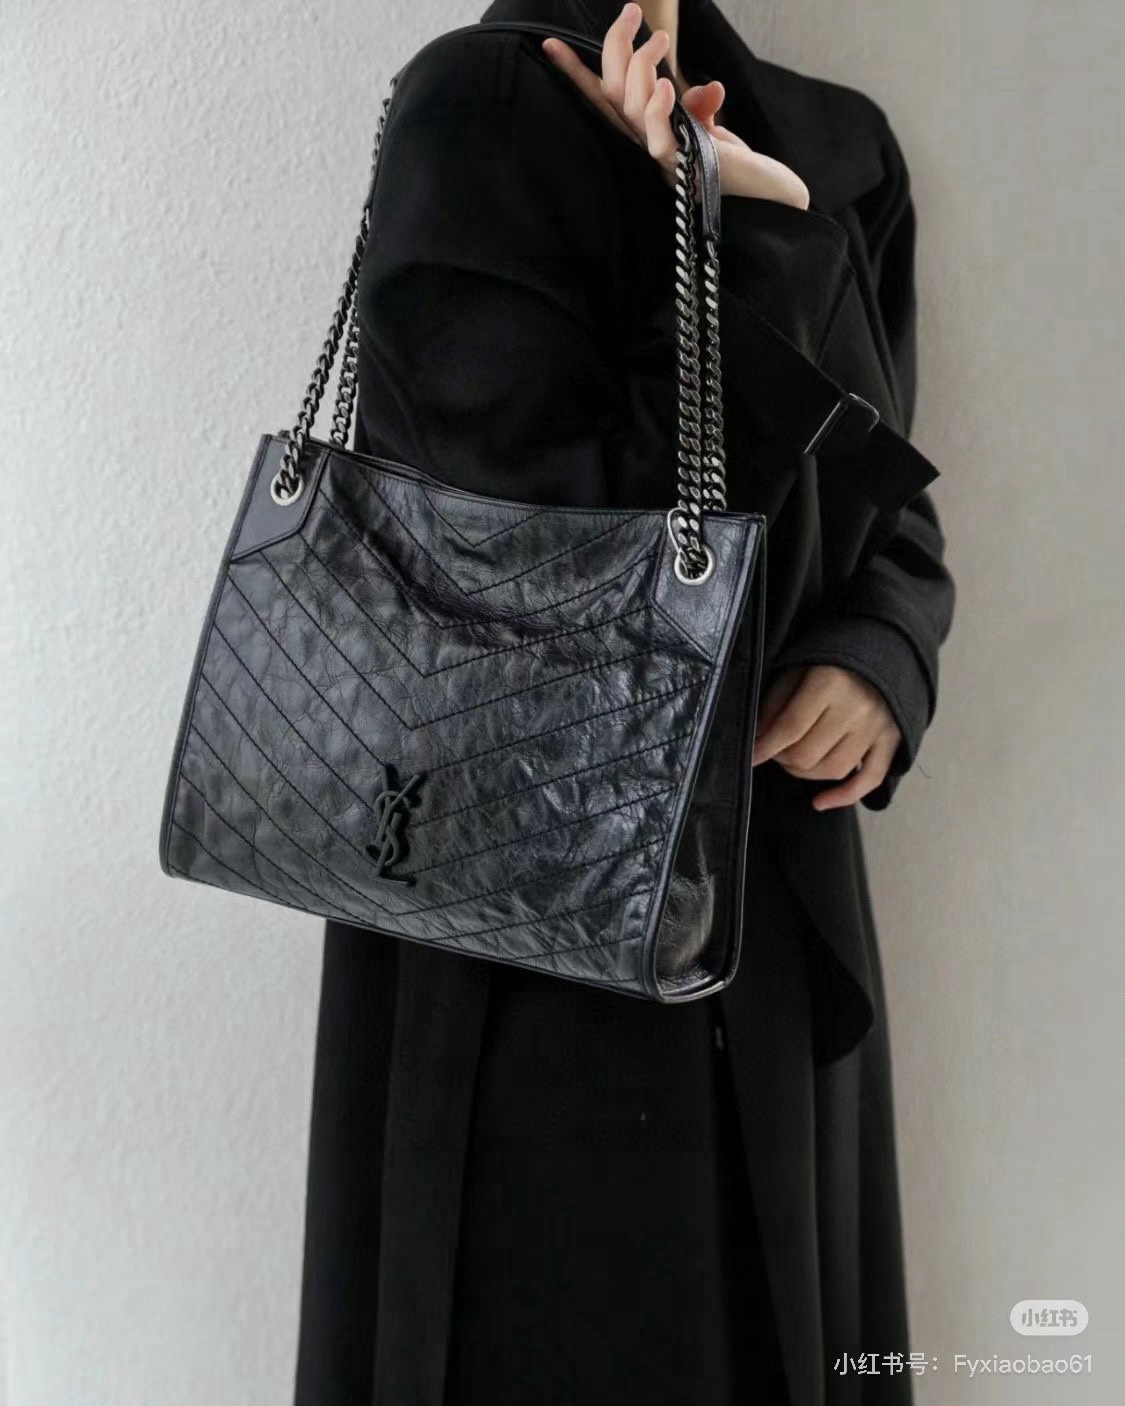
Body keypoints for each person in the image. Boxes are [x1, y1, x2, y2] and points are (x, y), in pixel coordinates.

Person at [293, 1, 956, 1402]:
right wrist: (744, 240)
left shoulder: (837, 147)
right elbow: (527, 583)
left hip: (775, 884)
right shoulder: (478, 114)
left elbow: (892, 509)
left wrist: (879, 656)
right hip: (534, 932)